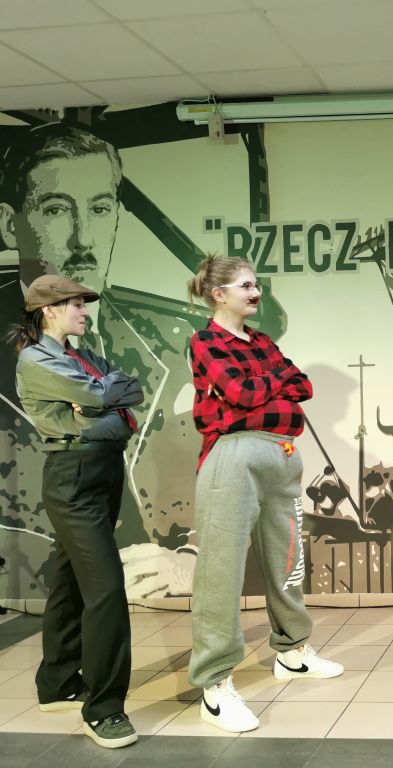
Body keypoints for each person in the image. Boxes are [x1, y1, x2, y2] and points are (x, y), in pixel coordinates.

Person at [0, 121, 200, 599]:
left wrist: (194, 554)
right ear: (9, 224)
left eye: (100, 208)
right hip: (41, 588)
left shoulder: (172, 340)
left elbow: (214, 470)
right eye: (56, 210)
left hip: (153, 599)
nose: (82, 238)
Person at [185, 255, 343, 733]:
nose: (255, 292)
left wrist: (266, 385)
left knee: (287, 560)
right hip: (233, 457)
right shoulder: (205, 341)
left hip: (283, 455)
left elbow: (304, 385)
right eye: (245, 286)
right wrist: (276, 384)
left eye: (256, 285)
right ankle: (214, 685)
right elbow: (242, 393)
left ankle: (293, 652)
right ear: (219, 294)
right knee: (221, 572)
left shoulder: (262, 342)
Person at [9, 274, 142, 748]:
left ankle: (59, 681)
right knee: (106, 589)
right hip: (73, 474)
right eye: (77, 304)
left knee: (69, 578)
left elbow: (131, 391)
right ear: (49, 310)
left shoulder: (83, 358)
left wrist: (95, 398)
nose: (85, 311)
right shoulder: (36, 358)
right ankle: (103, 710)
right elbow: (106, 396)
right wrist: (98, 397)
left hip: (103, 468)